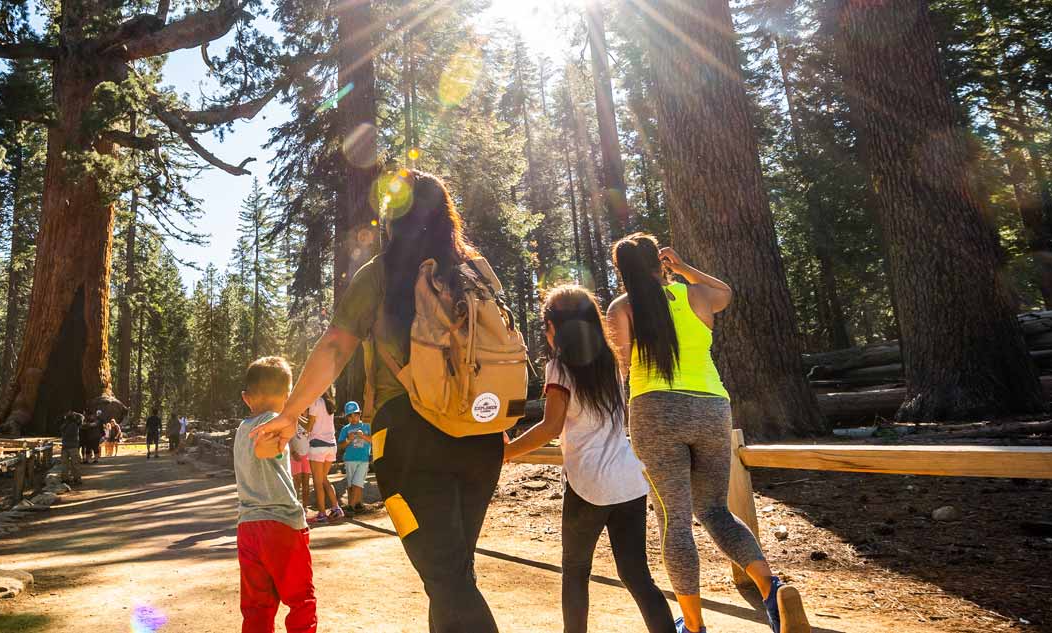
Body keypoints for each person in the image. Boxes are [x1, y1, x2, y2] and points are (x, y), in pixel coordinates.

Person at [250, 169, 507, 631]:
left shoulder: (382, 274)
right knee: (451, 574)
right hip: (482, 439)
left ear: (393, 220)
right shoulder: (474, 271)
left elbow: (334, 347)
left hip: (409, 443)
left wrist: (291, 414)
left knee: (447, 578)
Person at [607, 233, 803, 633]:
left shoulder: (622, 308)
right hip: (712, 405)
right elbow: (725, 292)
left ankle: (693, 626)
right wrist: (681, 268)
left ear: (622, 271)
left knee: (674, 520)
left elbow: (622, 370)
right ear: (658, 262)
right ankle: (772, 589)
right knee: (715, 509)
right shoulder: (696, 296)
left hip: (655, 410)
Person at [504, 285, 673, 632]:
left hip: (588, 484)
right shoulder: (611, 361)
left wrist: (504, 453)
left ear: (555, 326)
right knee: (637, 575)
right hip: (628, 480)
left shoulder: (560, 367)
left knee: (576, 571)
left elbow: (550, 426)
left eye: (545, 326)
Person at [234, 356, 316, 632]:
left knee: (257, 607)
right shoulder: (276, 420)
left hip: (248, 527)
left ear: (247, 398)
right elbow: (263, 447)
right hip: (282, 526)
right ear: (288, 396)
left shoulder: (240, 429)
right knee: (300, 601)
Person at [305, 395, 342, 523]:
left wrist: (296, 418)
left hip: (317, 445)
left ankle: (321, 514)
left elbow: (309, 427)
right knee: (323, 479)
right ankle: (336, 508)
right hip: (331, 445)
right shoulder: (330, 402)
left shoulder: (315, 402)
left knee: (318, 481)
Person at [337, 401, 371, 512]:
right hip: (350, 459)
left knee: (358, 482)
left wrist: (364, 436)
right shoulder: (345, 429)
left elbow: (373, 440)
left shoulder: (366, 426)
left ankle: (350, 507)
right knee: (352, 484)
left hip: (363, 459)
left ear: (360, 413)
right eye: (350, 416)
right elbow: (340, 445)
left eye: (355, 414)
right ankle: (358, 504)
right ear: (347, 417)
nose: (353, 418)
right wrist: (348, 440)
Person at [59, 411, 84, 485]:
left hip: (65, 446)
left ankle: (65, 479)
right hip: (73, 446)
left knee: (64, 464)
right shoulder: (75, 425)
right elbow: (82, 417)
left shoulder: (64, 425)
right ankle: (77, 479)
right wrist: (75, 414)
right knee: (75, 464)